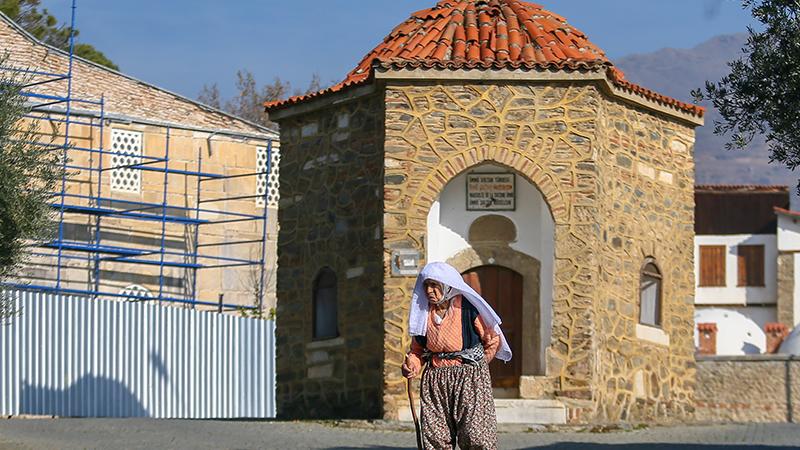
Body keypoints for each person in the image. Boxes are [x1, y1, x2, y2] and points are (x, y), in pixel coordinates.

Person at [402, 262, 512, 450]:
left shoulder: (468, 309)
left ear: (447, 285)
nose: (429, 290)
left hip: (469, 378)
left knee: (476, 434)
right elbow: (418, 350)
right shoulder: (423, 313)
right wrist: (412, 365)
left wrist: (477, 365)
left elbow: (492, 339)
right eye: (426, 285)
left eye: (435, 285)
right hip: (436, 380)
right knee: (436, 436)